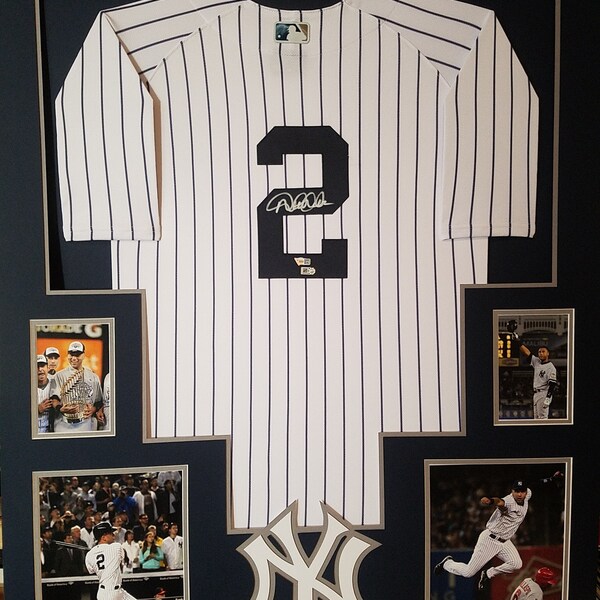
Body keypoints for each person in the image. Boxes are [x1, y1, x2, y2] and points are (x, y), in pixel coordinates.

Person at [434, 472, 564, 590]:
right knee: (468, 572)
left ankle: (488, 573)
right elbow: (500, 502)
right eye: (517, 491)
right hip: (490, 539)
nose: (520, 494)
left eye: (522, 491)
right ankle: (447, 563)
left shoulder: (527, 495)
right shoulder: (509, 502)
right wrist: (491, 501)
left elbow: (535, 484)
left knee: (516, 564)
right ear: (512, 491)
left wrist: (551, 479)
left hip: (504, 541)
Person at [48, 341, 104, 433]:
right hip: (63, 425)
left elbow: (99, 401)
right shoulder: (59, 376)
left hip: (86, 424)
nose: (74, 358)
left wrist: (93, 409)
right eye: (71, 354)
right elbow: (54, 398)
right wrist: (60, 408)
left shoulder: (93, 377)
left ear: (83, 355)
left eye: (77, 355)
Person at [512, 329, 558, 419]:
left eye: (543, 351)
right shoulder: (537, 361)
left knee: (542, 419)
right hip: (536, 394)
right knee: (536, 419)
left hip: (544, 393)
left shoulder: (551, 367)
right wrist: (518, 341)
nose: (541, 353)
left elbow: (552, 384)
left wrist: (548, 397)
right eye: (539, 352)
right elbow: (527, 353)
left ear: (548, 353)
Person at [85, 521, 137, 599]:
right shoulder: (116, 547)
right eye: (111, 534)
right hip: (110, 593)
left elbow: (91, 571)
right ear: (103, 537)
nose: (114, 536)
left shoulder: (89, 554)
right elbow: (122, 559)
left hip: (109, 592)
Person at [36, 354, 54, 433]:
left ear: (48, 367)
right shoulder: (25, 386)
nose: (40, 369)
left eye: (42, 366)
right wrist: (36, 410)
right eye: (37, 366)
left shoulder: (55, 384)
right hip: (32, 429)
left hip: (49, 430)